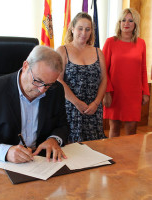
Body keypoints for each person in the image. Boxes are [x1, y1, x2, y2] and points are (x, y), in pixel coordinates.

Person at [0, 45, 69, 163]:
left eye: (48, 85)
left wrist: (54, 139)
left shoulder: (56, 89)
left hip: (41, 161)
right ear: (25, 66)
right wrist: (5, 152)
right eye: (38, 81)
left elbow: (62, 125)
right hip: (3, 164)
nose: (42, 90)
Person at [56, 12, 107, 143]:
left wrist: (96, 103)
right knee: (72, 150)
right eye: (80, 28)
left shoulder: (98, 52)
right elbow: (58, 80)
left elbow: (104, 79)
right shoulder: (62, 50)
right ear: (72, 29)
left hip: (93, 108)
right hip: (71, 108)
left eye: (87, 29)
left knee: (95, 147)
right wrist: (78, 103)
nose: (84, 33)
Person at [102, 8, 149, 137]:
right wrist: (106, 93)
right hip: (114, 93)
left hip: (133, 94)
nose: (126, 23)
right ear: (119, 22)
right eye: (123, 20)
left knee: (132, 131)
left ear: (135, 24)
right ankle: (113, 156)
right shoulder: (110, 42)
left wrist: (145, 91)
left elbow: (143, 69)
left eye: (130, 20)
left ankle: (130, 157)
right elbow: (103, 69)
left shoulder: (141, 43)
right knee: (114, 128)